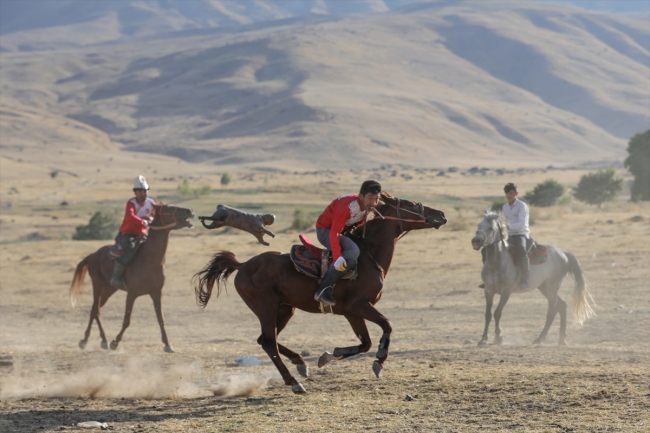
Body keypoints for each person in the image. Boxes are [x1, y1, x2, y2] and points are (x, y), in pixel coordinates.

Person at [313, 180, 382, 306]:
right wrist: (338, 256)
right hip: (325, 231)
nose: (374, 203)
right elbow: (334, 232)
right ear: (361, 196)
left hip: (342, 231)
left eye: (376, 199)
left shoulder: (368, 206)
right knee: (353, 250)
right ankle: (323, 290)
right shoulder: (347, 207)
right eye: (370, 198)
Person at [110, 175, 155, 290]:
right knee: (130, 248)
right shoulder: (131, 203)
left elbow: (156, 217)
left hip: (142, 235)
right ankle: (117, 275)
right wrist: (144, 222)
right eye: (140, 191)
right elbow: (130, 217)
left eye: (145, 191)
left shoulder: (151, 203)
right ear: (135, 193)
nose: (143, 194)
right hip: (127, 234)